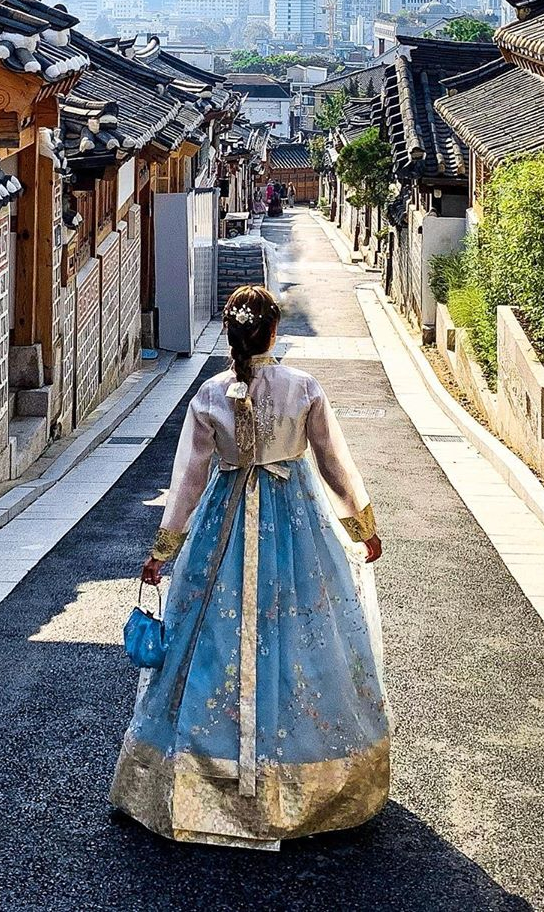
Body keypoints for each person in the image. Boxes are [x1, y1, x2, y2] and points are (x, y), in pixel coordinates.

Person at [111, 285, 389, 849]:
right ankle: (306, 779)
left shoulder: (211, 393)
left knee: (212, 637)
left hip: (223, 525)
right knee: (302, 635)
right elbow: (333, 462)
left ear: (234, 334)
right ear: (273, 333)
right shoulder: (303, 388)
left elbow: (188, 480)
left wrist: (163, 550)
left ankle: (194, 779)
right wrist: (362, 525)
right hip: (296, 524)